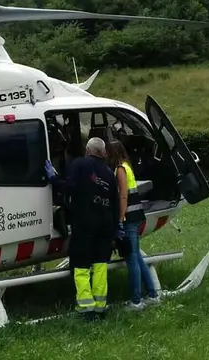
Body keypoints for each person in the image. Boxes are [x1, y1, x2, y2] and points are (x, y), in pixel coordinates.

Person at [45, 137, 119, 321]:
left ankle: (86, 308)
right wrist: (116, 228)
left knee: (81, 266)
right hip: (105, 225)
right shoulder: (110, 173)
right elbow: (115, 204)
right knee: (101, 266)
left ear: (87, 150)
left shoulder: (80, 164)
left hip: (85, 223)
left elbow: (70, 188)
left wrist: (53, 178)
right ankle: (101, 307)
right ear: (103, 153)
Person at [106, 140, 161, 311]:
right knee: (136, 256)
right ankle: (152, 294)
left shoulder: (120, 169)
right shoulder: (127, 166)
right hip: (136, 215)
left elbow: (123, 196)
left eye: (108, 152)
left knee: (131, 258)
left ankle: (136, 300)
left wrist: (120, 218)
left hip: (129, 217)